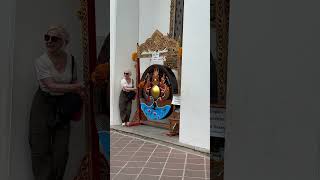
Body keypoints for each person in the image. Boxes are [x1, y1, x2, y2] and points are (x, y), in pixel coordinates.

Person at [29, 25, 84, 180]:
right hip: (43, 103)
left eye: (55, 38)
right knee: (40, 147)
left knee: (61, 150)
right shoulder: (41, 61)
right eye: (47, 37)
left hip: (63, 105)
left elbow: (73, 80)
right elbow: (50, 85)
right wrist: (77, 87)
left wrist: (81, 93)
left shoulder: (71, 60)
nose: (49, 41)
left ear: (64, 42)